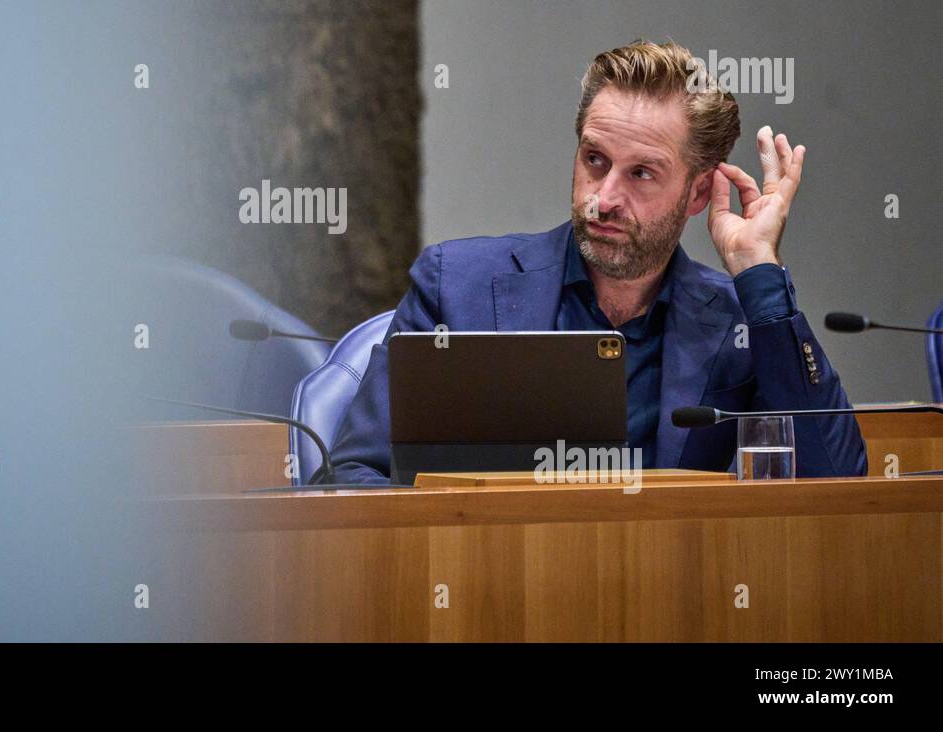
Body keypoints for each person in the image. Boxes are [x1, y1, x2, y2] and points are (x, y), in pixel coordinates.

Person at [324, 40, 867, 484]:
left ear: (699, 193)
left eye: (641, 173)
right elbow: (354, 474)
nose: (602, 197)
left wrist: (759, 274)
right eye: (595, 160)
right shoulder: (456, 287)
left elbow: (836, 483)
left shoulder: (739, 326)